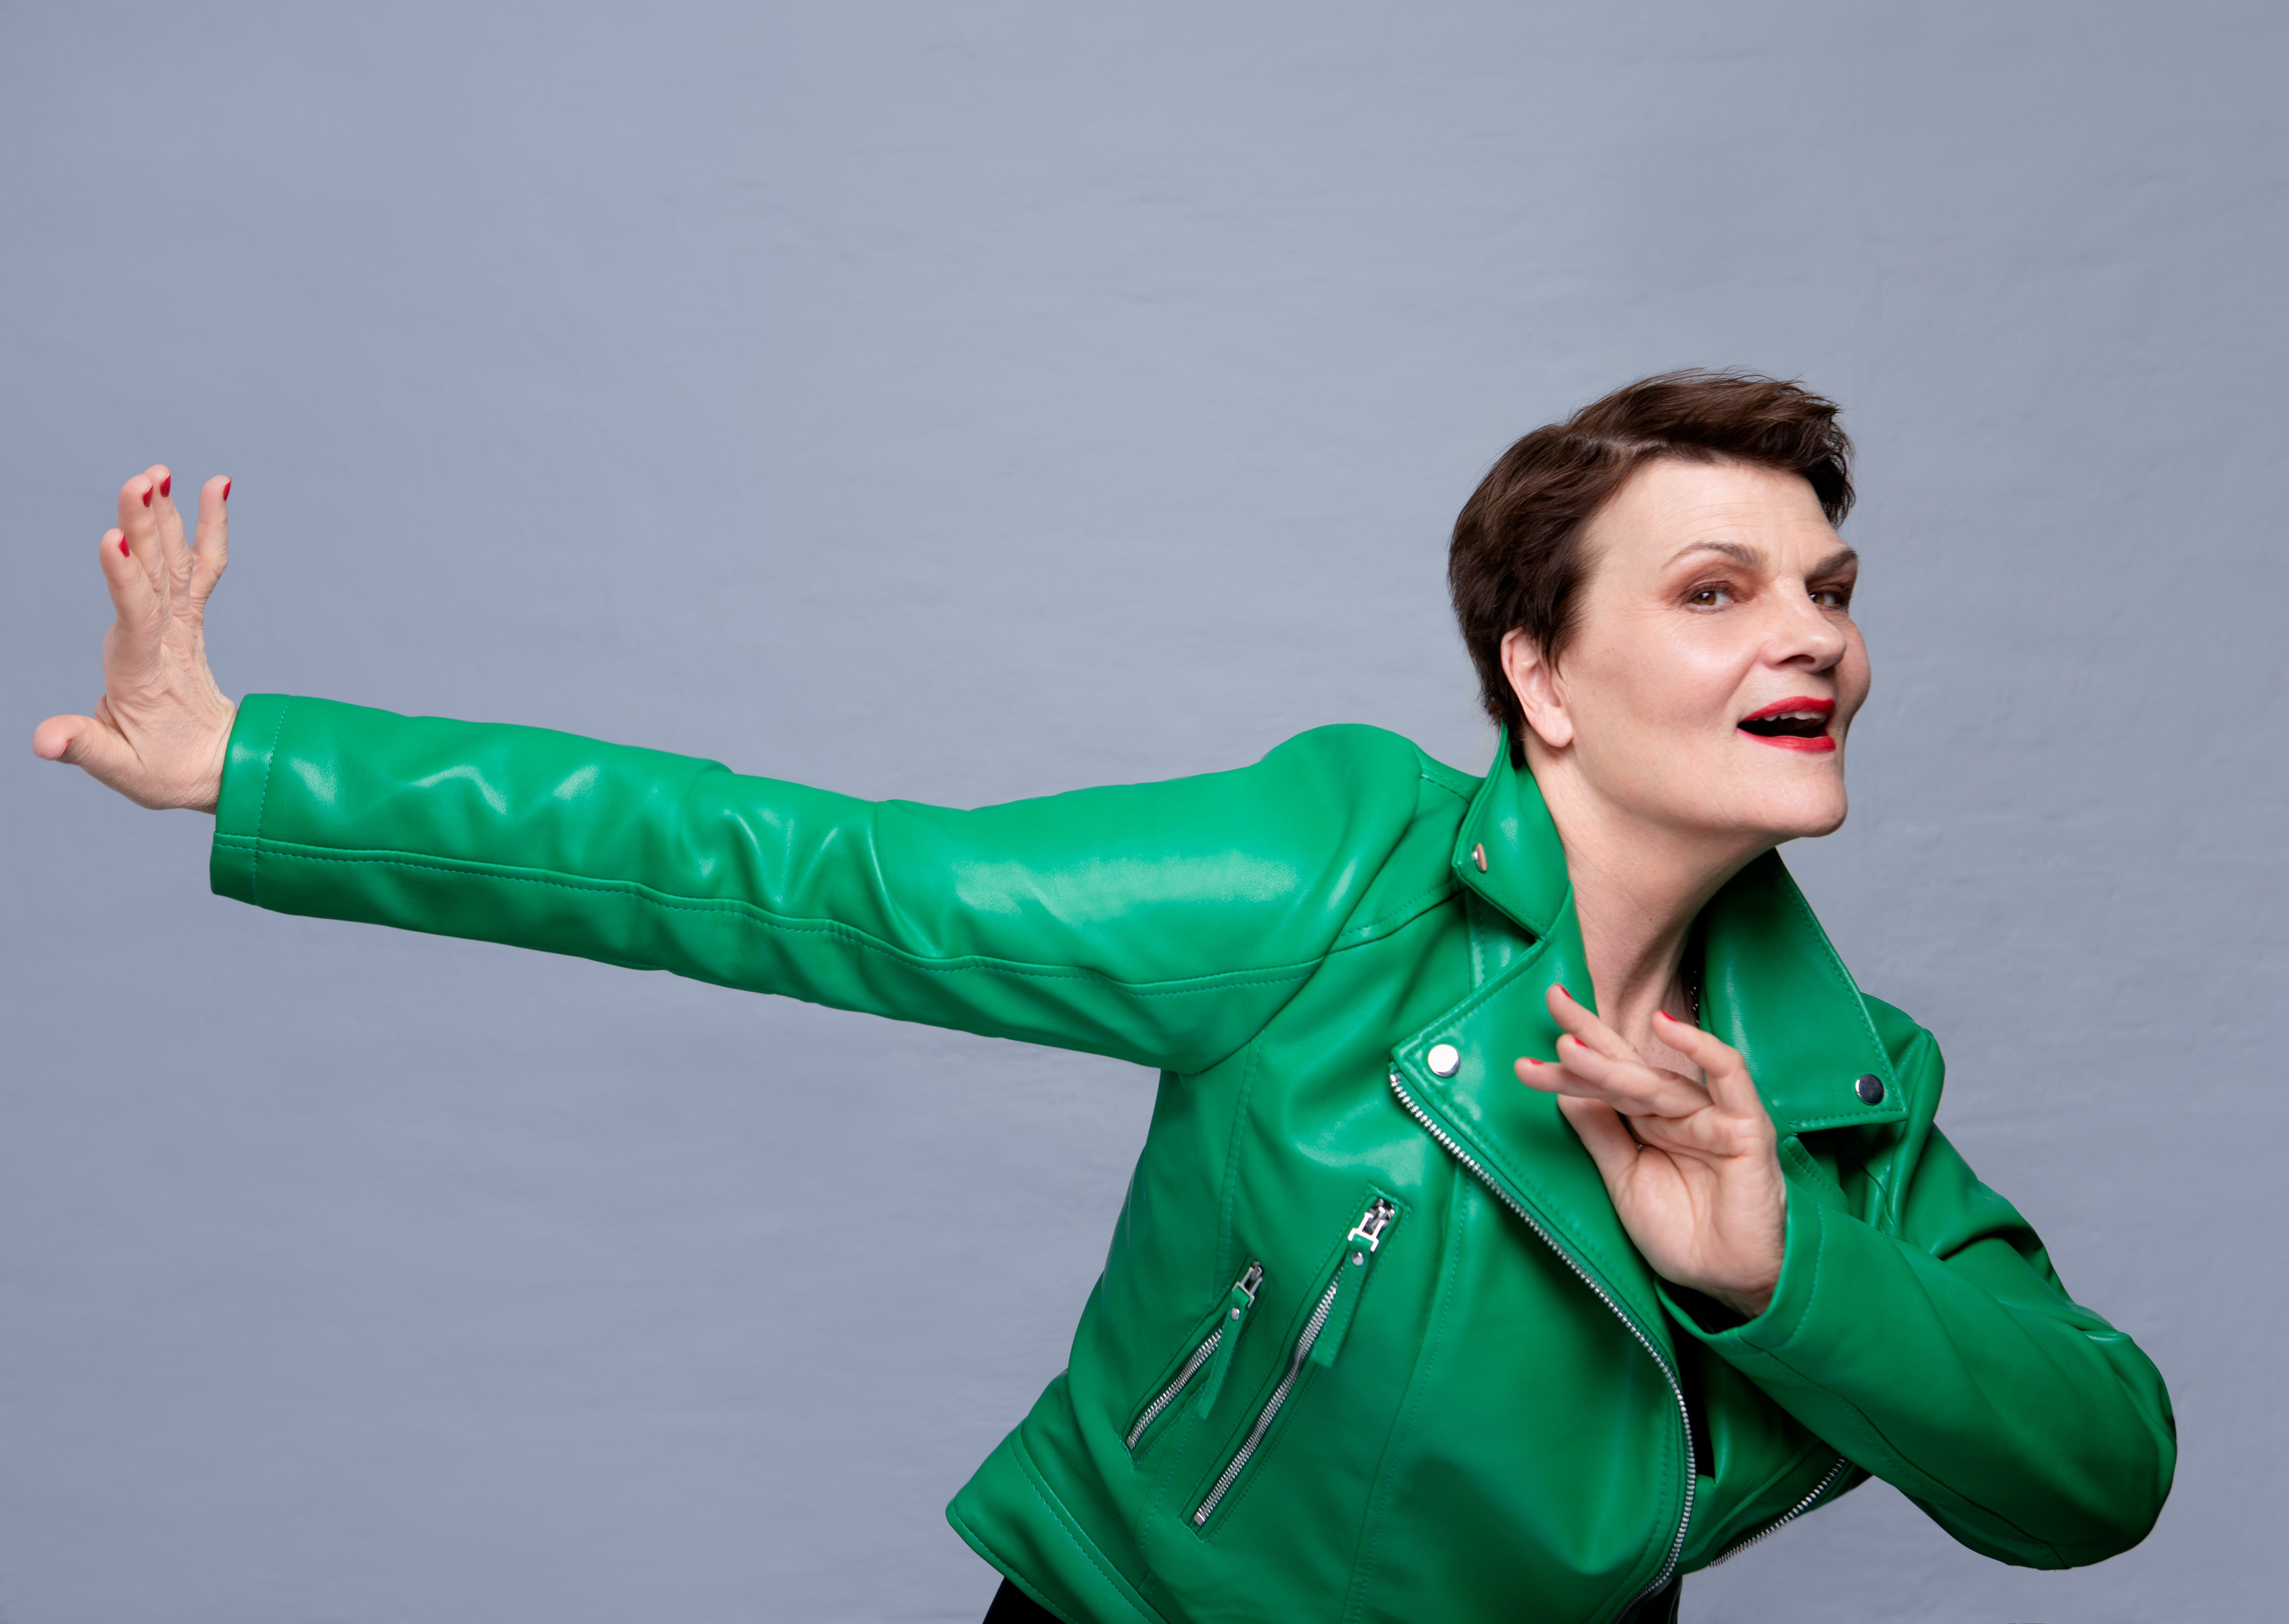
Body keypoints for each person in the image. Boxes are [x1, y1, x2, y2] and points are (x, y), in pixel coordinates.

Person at [34, 373, 2174, 1624]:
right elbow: (825, 880)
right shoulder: (1334, 875)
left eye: (1829, 590)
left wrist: (1784, 1271)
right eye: (1717, 590)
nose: (1813, 637)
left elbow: (2100, 1467)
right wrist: (259, 764)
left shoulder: (1842, 1091)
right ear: (1539, 675)